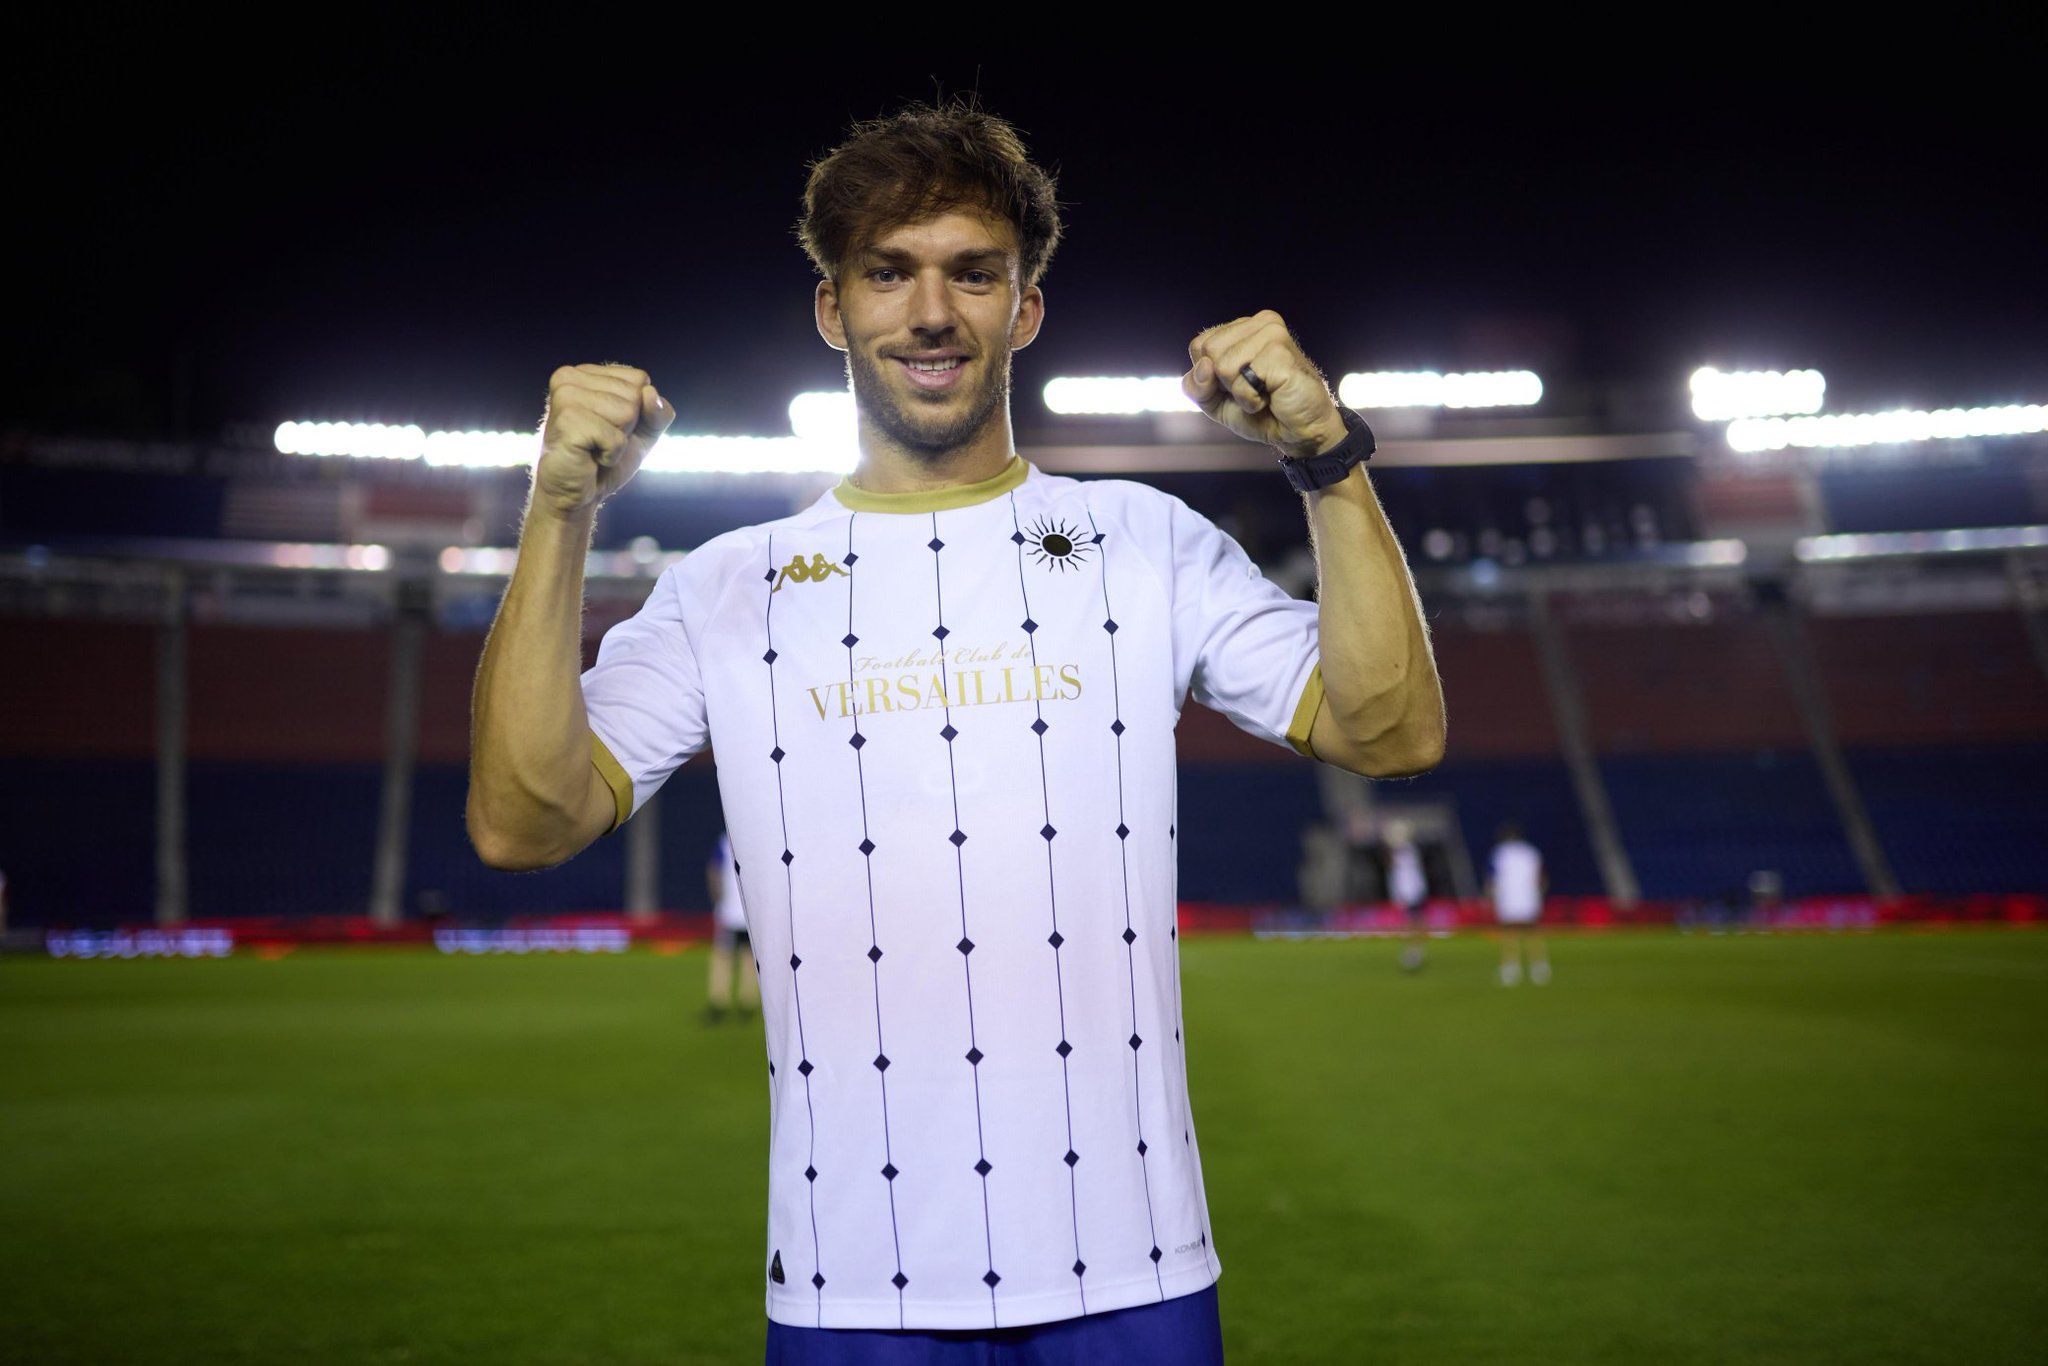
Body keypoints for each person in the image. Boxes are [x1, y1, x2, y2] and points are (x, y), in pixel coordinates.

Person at [467, 98, 1445, 1365]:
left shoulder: (1144, 546)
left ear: (1023, 307)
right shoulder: (727, 585)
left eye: (972, 273)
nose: (930, 311)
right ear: (833, 309)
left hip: (1136, 1263)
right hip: (845, 1285)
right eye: (888, 272)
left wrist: (1326, 456)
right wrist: (558, 512)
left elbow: (1393, 732)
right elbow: (520, 817)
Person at [706, 829, 761, 1023]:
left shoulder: (724, 841)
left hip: (728, 912)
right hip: (751, 915)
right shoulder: (758, 843)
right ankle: (748, 1005)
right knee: (750, 960)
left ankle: (719, 1003)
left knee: (723, 958)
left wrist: (718, 900)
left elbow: (714, 872)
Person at [1488, 822, 1549, 985]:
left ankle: (1511, 969)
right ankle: (1539, 968)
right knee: (1532, 932)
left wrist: (1491, 897)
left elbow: (1493, 878)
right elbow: (1541, 878)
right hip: (1529, 897)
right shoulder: (1531, 852)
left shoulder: (1500, 853)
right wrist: (1540, 895)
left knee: (1509, 933)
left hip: (1509, 897)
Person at [1384, 821, 1429, 972]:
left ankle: (1414, 951)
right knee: (1411, 922)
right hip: (1407, 891)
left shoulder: (1408, 851)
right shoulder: (1402, 852)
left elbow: (1404, 872)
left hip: (1412, 891)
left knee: (1414, 922)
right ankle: (1414, 950)